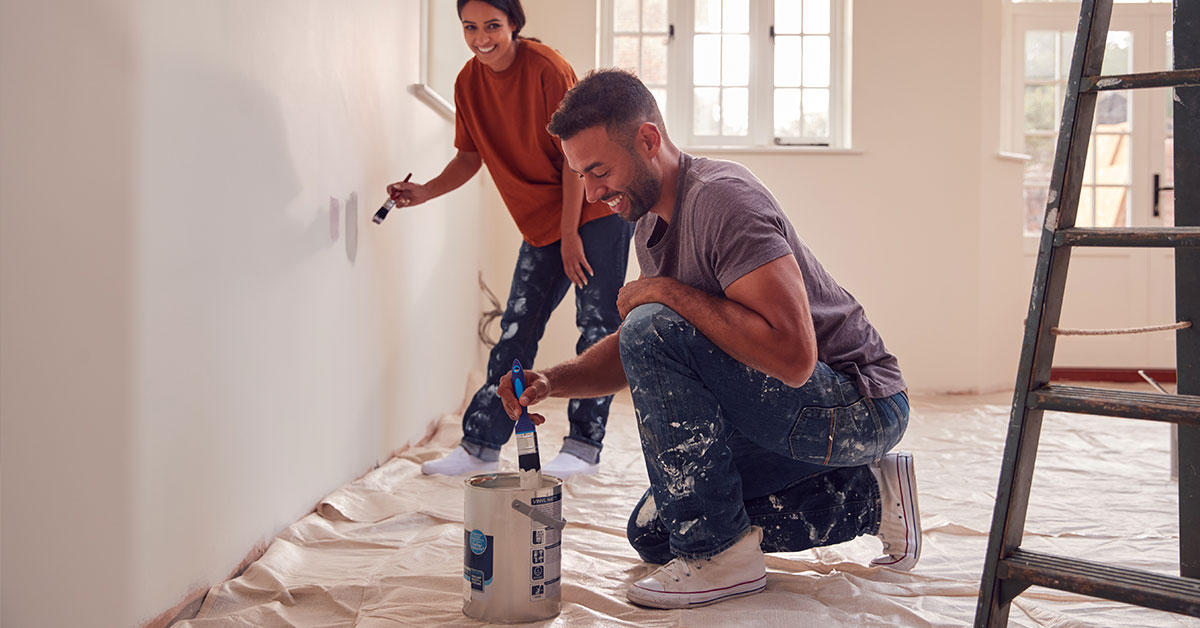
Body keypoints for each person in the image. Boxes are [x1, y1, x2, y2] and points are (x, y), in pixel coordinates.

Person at [497, 69, 920, 609]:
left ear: (648, 141)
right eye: (580, 175)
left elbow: (792, 358)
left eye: (598, 170)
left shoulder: (724, 200)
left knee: (656, 329)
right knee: (656, 532)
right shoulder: (649, 224)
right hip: (790, 412)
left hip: (858, 406)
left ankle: (722, 557)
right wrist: (550, 382)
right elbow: (639, 351)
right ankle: (873, 496)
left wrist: (664, 293)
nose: (592, 192)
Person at [388, 0, 633, 478]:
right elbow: (468, 157)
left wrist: (570, 234)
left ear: (514, 25)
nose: (482, 37)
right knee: (516, 330)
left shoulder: (547, 69)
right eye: (470, 27)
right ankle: (480, 444)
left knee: (596, 327)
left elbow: (573, 157)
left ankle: (583, 448)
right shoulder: (467, 83)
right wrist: (423, 192)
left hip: (596, 208)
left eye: (493, 26)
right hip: (544, 223)